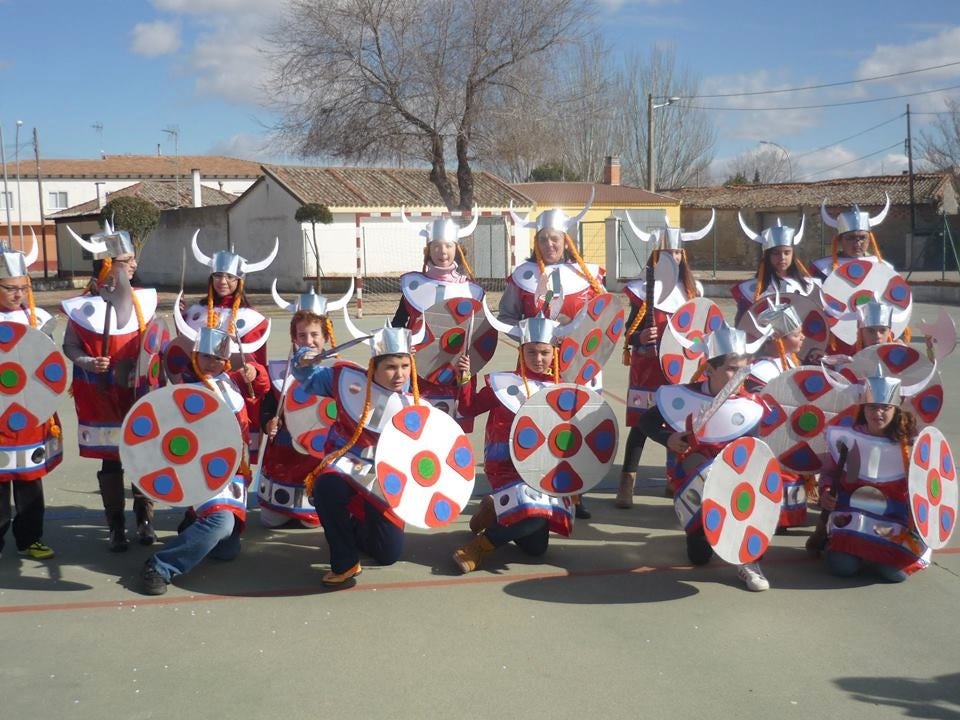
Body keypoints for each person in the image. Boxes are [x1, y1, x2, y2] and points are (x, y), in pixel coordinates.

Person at [290, 314, 431, 588]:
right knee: (326, 486)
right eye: (391, 367)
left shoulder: (413, 401)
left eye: (405, 366)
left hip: (384, 475)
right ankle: (345, 562)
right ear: (374, 365)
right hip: (347, 463)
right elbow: (307, 376)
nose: (400, 375)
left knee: (387, 554)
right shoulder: (345, 380)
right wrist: (303, 359)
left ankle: (354, 522)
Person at [637, 322, 772, 591]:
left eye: (743, 368)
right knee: (698, 557)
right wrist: (668, 438)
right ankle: (704, 531)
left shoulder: (750, 405)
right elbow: (646, 422)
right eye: (731, 368)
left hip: (736, 482)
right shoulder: (684, 395)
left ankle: (748, 560)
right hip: (695, 481)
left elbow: (754, 453)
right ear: (709, 369)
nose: (738, 375)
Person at [140, 324, 270, 595]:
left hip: (235, 473)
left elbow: (261, 386)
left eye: (218, 358)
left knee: (226, 550)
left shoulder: (231, 381)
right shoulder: (186, 388)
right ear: (195, 355)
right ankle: (160, 566)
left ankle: (193, 522)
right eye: (206, 356)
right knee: (221, 523)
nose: (212, 363)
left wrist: (254, 371)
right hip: (202, 469)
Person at [62, 221, 166, 551]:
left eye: (133, 258)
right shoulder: (82, 308)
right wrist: (88, 362)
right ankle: (116, 526)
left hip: (137, 392)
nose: (133, 264)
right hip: (102, 394)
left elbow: (156, 345)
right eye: (126, 260)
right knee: (111, 459)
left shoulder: (144, 301)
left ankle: (145, 521)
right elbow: (70, 346)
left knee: (142, 454)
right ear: (107, 265)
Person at [499, 192, 603, 518]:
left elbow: (600, 319)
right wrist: (530, 335)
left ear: (566, 240)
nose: (549, 245)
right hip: (535, 363)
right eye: (543, 239)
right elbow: (507, 316)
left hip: (576, 364)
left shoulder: (587, 277)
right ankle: (536, 485)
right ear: (536, 242)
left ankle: (575, 494)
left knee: (574, 427)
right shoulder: (523, 276)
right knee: (540, 423)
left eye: (555, 238)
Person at [451, 314, 575, 574]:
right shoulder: (503, 384)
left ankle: (495, 511)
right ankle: (480, 546)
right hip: (506, 466)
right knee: (536, 516)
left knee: (536, 548)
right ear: (521, 351)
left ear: (554, 353)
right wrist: (466, 377)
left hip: (542, 471)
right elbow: (469, 408)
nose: (538, 359)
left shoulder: (562, 389)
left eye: (544, 353)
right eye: (531, 352)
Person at [617, 211, 711, 508]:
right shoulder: (642, 290)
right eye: (667, 252)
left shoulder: (693, 292)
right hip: (648, 369)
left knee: (677, 422)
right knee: (641, 425)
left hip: (682, 369)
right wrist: (640, 337)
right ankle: (627, 482)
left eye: (677, 252)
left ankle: (674, 478)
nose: (674, 257)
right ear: (657, 255)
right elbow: (629, 332)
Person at [816, 366, 930, 582]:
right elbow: (829, 473)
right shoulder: (847, 438)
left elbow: (924, 487)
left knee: (894, 574)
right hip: (851, 513)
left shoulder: (910, 444)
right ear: (864, 408)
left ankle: (873, 555)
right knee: (842, 568)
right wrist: (826, 492)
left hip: (892, 516)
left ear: (896, 409)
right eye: (872, 408)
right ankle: (839, 546)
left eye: (885, 408)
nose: (878, 413)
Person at [257, 282, 352, 528]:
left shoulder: (338, 371)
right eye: (302, 335)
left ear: (325, 336)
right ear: (294, 337)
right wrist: (269, 422)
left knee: (312, 519)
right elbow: (267, 406)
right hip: (284, 456)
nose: (308, 341)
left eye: (314, 335)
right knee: (271, 520)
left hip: (319, 453)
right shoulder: (279, 370)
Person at [182, 231, 278, 461]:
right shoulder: (195, 313)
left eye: (229, 277)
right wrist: (182, 315)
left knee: (230, 459)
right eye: (217, 275)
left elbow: (257, 366)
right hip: (198, 394)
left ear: (239, 281)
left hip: (234, 397)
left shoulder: (252, 319)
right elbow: (183, 354)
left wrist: (253, 373)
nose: (222, 282)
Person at [0, 234, 62, 560]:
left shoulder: (39, 319)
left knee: (29, 478)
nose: (18, 294)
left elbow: (48, 367)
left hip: (30, 414)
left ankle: (30, 538)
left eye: (23, 288)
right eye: (10, 288)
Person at [744, 301, 809, 531]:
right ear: (777, 339)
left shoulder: (790, 360)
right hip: (770, 438)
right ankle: (772, 517)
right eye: (796, 334)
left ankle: (788, 516)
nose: (803, 337)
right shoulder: (761, 370)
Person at [392, 212, 483, 331]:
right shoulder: (412, 286)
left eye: (448, 246)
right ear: (428, 251)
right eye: (436, 246)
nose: (443, 251)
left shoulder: (471, 290)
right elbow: (397, 324)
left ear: (457, 250)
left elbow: (479, 329)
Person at [732, 213, 817, 324]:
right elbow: (742, 325)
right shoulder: (750, 291)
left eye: (787, 252)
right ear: (767, 256)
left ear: (793, 255)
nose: (782, 257)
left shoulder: (809, 286)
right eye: (776, 253)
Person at [813, 195, 892, 280]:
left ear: (870, 239)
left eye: (862, 238)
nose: (857, 244)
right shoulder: (821, 268)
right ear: (840, 240)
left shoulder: (884, 267)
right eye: (851, 238)